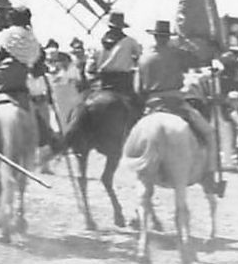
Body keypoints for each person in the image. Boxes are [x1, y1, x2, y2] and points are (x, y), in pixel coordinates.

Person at [134, 20, 216, 169]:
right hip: (175, 102)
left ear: (155, 37)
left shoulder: (143, 58)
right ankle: (209, 172)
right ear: (167, 38)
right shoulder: (177, 53)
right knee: (209, 133)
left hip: (151, 104)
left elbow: (138, 89)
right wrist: (187, 45)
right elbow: (197, 61)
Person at [86, 11, 142, 96]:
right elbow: (141, 59)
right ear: (122, 27)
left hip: (103, 81)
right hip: (123, 82)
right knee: (138, 104)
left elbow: (90, 66)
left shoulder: (97, 42)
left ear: (109, 26)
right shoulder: (130, 42)